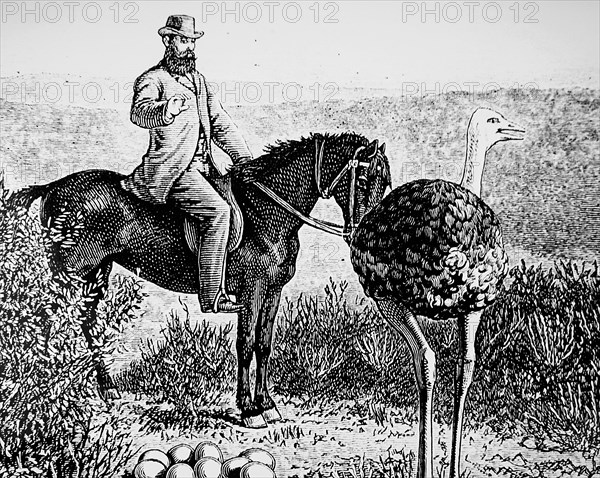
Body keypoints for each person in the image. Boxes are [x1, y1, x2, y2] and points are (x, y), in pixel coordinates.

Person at [121, 14, 252, 313]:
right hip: (173, 172)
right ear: (168, 41)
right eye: (183, 41)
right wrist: (165, 111)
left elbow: (219, 123)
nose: (189, 47)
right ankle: (212, 297)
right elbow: (139, 113)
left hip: (206, 169)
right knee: (219, 213)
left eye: (192, 42)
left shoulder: (199, 81)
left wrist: (244, 160)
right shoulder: (152, 80)